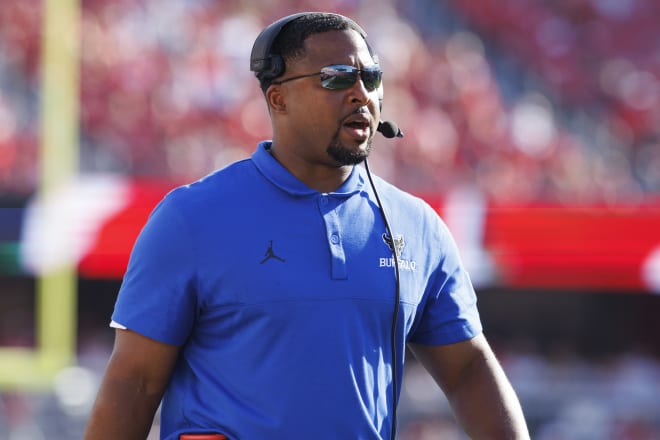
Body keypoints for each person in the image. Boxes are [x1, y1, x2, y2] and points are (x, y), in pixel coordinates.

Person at [84, 12, 529, 440]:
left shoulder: (418, 225)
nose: (361, 94)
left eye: (371, 78)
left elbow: (468, 369)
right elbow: (134, 383)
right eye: (336, 77)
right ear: (278, 98)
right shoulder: (191, 217)